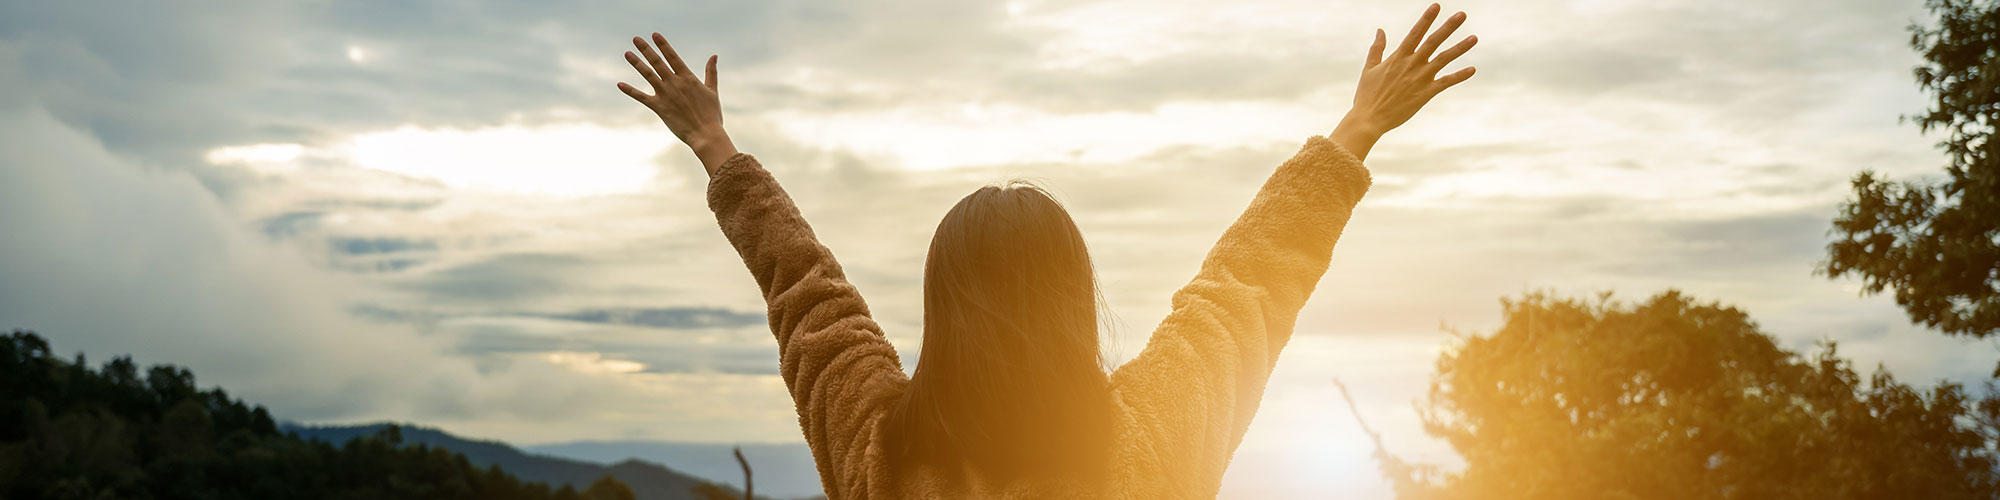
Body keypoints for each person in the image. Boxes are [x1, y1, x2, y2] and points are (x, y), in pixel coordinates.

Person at [616, 4, 1477, 498]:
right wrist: (1356, 131)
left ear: (941, 308)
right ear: (1073, 302)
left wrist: (719, 152)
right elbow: (1245, 286)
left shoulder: (878, 450)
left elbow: (806, 293)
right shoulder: (1143, 446)